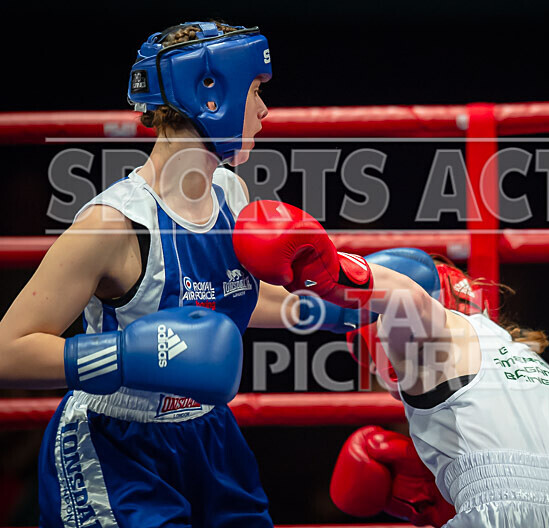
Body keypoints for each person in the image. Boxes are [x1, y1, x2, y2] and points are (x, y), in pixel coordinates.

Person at [0, 21, 373, 527]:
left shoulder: (229, 192)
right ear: (210, 93)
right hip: (116, 444)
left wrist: (327, 309)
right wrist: (125, 355)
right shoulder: (114, 225)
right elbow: (8, 349)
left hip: (209, 434)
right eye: (257, 91)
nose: (264, 110)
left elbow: (234, 294)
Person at [313, 248, 549, 527]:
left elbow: (404, 298)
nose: (371, 364)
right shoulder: (528, 360)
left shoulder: (437, 337)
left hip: (505, 513)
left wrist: (322, 270)